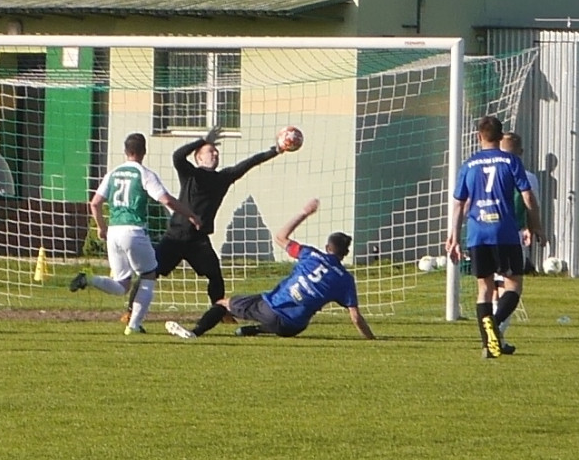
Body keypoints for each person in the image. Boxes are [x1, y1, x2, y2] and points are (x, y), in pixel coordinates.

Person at [122, 125, 289, 320]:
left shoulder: (223, 178)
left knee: (215, 275)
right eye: (210, 151)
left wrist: (276, 150)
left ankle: (220, 313)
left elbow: (250, 162)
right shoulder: (190, 174)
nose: (215, 153)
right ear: (199, 158)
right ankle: (130, 312)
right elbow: (177, 156)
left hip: (198, 240)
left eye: (216, 151)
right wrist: (203, 140)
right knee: (150, 271)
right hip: (174, 237)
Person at [165, 198, 375, 340]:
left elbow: (280, 237)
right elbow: (355, 317)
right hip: (293, 328)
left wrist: (304, 212)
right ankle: (252, 330)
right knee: (287, 316)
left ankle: (195, 332)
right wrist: (372, 339)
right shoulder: (346, 279)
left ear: (327, 247)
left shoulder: (310, 255)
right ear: (345, 254)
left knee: (223, 303)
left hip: (270, 308)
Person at [69, 132, 201, 335]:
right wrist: (190, 214)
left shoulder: (113, 173)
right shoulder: (144, 173)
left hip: (114, 231)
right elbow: (166, 200)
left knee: (122, 285)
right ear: (144, 151)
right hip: (134, 230)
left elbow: (94, 203)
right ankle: (134, 325)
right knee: (148, 275)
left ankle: (89, 279)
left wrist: (101, 227)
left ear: (125, 151)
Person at [445, 115, 545, 359]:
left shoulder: (468, 165)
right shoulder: (510, 161)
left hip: (477, 233)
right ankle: (496, 323)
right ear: (501, 137)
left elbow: (459, 204)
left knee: (484, 288)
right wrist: (536, 226)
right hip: (505, 232)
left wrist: (454, 237)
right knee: (514, 284)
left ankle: (488, 345)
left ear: (479, 137)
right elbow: (528, 197)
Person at [492, 131, 541, 350]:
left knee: (492, 287)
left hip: (484, 234)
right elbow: (530, 203)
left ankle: (497, 338)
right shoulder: (527, 176)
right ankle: (496, 330)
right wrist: (534, 228)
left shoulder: (484, 171)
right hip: (512, 236)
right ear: (520, 152)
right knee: (511, 286)